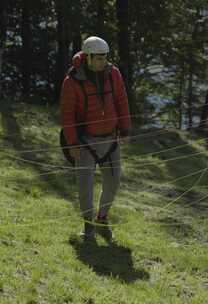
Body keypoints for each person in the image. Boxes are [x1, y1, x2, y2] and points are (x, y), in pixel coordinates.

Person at [59, 36, 131, 242]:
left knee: (113, 181)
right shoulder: (72, 81)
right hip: (85, 142)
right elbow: (67, 114)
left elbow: (121, 100)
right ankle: (88, 226)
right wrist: (72, 143)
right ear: (88, 57)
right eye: (98, 58)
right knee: (85, 186)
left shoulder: (113, 74)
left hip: (110, 139)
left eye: (105, 57)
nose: (102, 62)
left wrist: (125, 129)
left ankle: (102, 218)